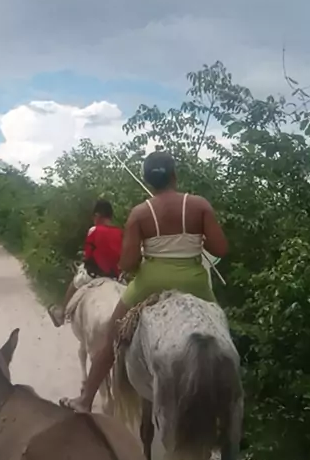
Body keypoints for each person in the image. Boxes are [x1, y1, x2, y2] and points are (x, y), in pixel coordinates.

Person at [60, 150, 228, 412]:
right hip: (195, 281)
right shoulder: (199, 205)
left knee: (111, 337)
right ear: (174, 175)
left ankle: (85, 399)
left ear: (148, 180)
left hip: (149, 282)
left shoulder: (140, 213)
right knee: (222, 330)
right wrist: (195, 242)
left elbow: (127, 264)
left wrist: (146, 257)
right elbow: (220, 249)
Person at [48, 199, 123, 327]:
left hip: (94, 275)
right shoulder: (120, 232)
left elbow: (88, 255)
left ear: (97, 216)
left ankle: (61, 314)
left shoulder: (94, 230)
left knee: (74, 283)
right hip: (114, 276)